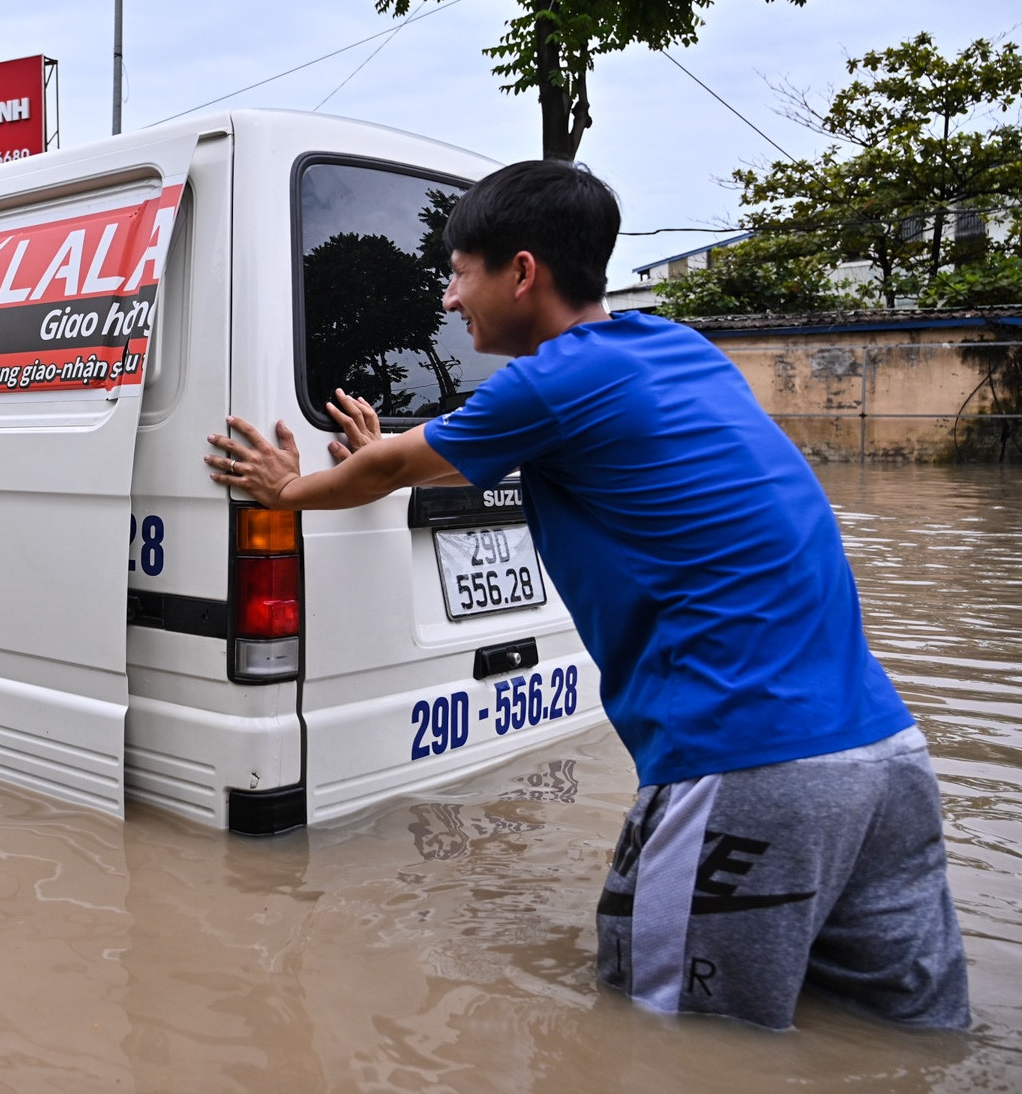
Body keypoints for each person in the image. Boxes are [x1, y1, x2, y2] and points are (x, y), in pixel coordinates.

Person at [205, 159, 968, 1032]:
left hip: (746, 760)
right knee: (903, 1040)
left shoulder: (550, 383)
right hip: (886, 758)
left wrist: (285, 488)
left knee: (664, 1041)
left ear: (521, 272)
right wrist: (381, 458)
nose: (450, 302)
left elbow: (393, 467)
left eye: (459, 273)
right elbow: (427, 456)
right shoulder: (679, 350)